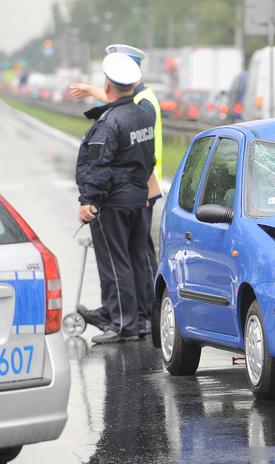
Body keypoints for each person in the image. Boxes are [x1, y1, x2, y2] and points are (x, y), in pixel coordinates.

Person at [70, 44, 162, 336]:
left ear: (108, 84)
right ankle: (143, 318)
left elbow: (98, 167)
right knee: (137, 259)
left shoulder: (108, 123)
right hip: (136, 199)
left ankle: (122, 324)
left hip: (113, 203)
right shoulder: (142, 116)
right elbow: (149, 159)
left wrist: (88, 202)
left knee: (114, 262)